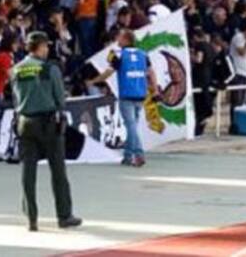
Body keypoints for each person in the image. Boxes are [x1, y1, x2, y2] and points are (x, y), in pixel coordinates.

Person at [11, 31, 81, 232]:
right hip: (49, 123)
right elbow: (60, 98)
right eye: (46, 46)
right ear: (40, 47)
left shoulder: (16, 69)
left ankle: (31, 218)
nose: (48, 49)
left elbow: (16, 99)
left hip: (25, 122)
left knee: (28, 172)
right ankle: (64, 215)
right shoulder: (50, 69)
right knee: (58, 170)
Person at [88, 30, 157, 166]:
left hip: (126, 94)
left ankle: (138, 154)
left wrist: (94, 81)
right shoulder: (143, 54)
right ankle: (127, 156)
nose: (117, 39)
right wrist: (154, 89)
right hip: (140, 94)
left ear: (126, 40)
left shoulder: (118, 55)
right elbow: (151, 72)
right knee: (133, 126)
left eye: (119, 37)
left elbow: (108, 72)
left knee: (130, 126)